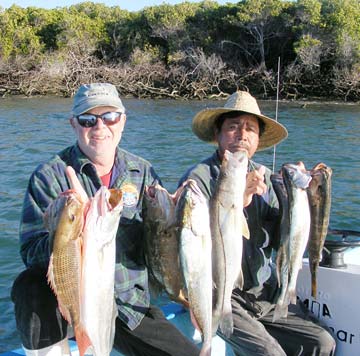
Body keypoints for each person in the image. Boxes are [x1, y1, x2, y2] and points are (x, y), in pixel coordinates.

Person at [11, 83, 200, 356]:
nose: (100, 127)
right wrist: (66, 228)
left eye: (109, 117)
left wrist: (176, 219)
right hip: (69, 301)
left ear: (122, 122)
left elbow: (158, 247)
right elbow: (30, 252)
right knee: (29, 285)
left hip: (127, 303)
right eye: (88, 120)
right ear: (74, 124)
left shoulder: (142, 171)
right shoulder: (49, 177)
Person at [179, 91, 336, 356]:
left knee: (322, 343)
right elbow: (192, 240)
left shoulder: (268, 178)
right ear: (218, 133)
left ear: (258, 139)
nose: (242, 135)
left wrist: (305, 199)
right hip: (222, 293)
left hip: (265, 294)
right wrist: (238, 199)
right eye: (233, 127)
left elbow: (282, 239)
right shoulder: (198, 180)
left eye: (250, 129)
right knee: (270, 353)